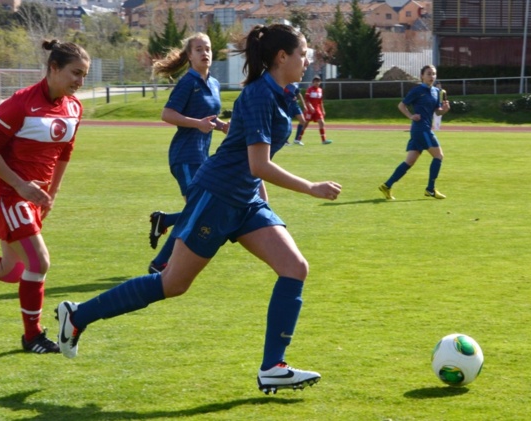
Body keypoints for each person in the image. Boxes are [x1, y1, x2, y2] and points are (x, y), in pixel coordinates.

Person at [56, 24, 342, 395]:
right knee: (173, 283)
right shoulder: (257, 95)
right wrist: (311, 188)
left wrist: (262, 203)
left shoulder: (284, 94)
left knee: (294, 268)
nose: (309, 59)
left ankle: (273, 367)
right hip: (219, 196)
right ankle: (77, 316)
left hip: (246, 200)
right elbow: (258, 164)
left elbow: (251, 157)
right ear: (281, 57)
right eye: (303, 52)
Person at [0, 40, 90, 353]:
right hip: (5, 193)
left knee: (11, 272)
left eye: (85, 75)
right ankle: (32, 336)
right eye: (75, 73)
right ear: (53, 68)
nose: (80, 81)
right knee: (39, 261)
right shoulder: (20, 103)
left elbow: (65, 151)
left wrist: (52, 192)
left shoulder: (74, 107)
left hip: (32, 197)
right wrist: (22, 186)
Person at [147, 33, 229, 274]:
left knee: (203, 207)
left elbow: (209, 117)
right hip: (184, 156)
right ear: (190, 56)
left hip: (202, 156)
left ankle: (164, 221)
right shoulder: (188, 82)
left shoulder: (213, 83)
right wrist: (197, 124)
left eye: (208, 49)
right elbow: (167, 114)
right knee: (198, 210)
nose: (205, 53)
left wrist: (222, 126)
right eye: (199, 49)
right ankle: (160, 263)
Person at [378, 64, 450, 200]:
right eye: (428, 74)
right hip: (420, 129)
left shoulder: (436, 92)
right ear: (422, 76)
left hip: (423, 129)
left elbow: (437, 112)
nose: (432, 76)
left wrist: (445, 110)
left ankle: (387, 185)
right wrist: (411, 116)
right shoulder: (417, 91)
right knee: (439, 156)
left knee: (409, 161)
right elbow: (401, 105)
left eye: (434, 74)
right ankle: (430, 189)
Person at [293, 76, 332, 145]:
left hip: (317, 109)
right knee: (305, 124)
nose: (317, 83)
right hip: (309, 110)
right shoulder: (309, 90)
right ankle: (298, 139)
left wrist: (323, 110)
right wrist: (310, 107)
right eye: (316, 81)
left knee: (322, 122)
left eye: (318, 81)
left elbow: (320, 101)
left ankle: (324, 140)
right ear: (313, 82)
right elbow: (307, 100)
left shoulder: (320, 90)